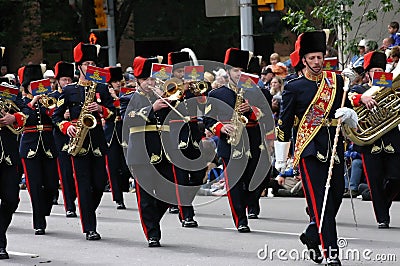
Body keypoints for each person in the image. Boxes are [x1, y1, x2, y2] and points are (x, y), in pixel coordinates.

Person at [275, 31, 354, 265]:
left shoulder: (337, 81)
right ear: (304, 60)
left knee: (335, 196)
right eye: (312, 58)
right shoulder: (294, 87)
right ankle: (332, 254)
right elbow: (284, 121)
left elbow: (347, 107)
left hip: (334, 145)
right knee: (321, 201)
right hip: (309, 148)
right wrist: (282, 157)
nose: (317, 62)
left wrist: (350, 114)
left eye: (320, 57)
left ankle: (312, 235)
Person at [203, 48, 271, 232]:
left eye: (242, 70)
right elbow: (208, 120)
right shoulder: (216, 94)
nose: (239, 73)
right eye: (235, 70)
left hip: (253, 140)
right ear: (228, 71)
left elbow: (268, 116)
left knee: (254, 180)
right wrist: (221, 128)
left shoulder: (259, 92)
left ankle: (252, 202)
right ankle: (240, 219)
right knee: (234, 183)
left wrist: (252, 110)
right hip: (230, 142)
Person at [52, 42, 115, 240]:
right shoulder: (69, 90)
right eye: (86, 63)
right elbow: (56, 116)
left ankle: (87, 209)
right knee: (84, 184)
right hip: (78, 142)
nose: (90, 66)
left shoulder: (102, 88)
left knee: (99, 183)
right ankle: (90, 227)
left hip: (96, 140)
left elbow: (114, 112)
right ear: (79, 66)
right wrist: (66, 126)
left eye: (92, 62)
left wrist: (102, 110)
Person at [123, 55, 175, 247]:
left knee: (168, 194)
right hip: (140, 154)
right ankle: (152, 233)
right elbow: (129, 119)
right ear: (138, 81)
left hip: (163, 152)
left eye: (152, 79)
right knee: (145, 198)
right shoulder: (128, 98)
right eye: (146, 80)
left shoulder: (164, 96)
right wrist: (151, 108)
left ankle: (153, 220)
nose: (149, 83)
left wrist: (167, 98)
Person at [348, 51, 400, 229]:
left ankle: (382, 203)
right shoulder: (359, 90)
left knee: (397, 177)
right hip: (370, 143)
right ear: (367, 73)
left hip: (392, 139)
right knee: (375, 181)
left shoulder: (391, 87)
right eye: (374, 70)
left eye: (380, 69)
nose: (377, 72)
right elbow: (348, 98)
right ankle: (382, 217)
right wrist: (362, 98)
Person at [166, 50, 209, 227]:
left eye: (184, 71)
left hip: (193, 131)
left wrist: (198, 93)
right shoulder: (167, 87)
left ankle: (182, 200)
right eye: (178, 72)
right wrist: (181, 89)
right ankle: (186, 215)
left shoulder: (192, 87)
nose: (182, 75)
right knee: (181, 177)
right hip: (176, 133)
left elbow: (204, 106)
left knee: (199, 174)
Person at [18, 64, 60, 235]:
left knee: (51, 185)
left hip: (48, 144)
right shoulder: (21, 102)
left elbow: (55, 118)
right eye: (31, 84)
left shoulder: (49, 99)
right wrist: (32, 102)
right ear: (26, 86)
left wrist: (51, 108)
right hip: (29, 146)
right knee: (34, 186)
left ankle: (45, 210)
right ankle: (39, 223)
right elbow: (21, 120)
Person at [0, 56, 26, 260]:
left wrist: (13, 118)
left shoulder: (8, 90)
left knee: (11, 199)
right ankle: (0, 243)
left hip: (8, 154)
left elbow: (26, 111)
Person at [50, 61, 77, 217]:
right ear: (58, 81)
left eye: (69, 80)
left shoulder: (75, 93)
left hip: (77, 134)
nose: (67, 82)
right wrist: (62, 117)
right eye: (64, 80)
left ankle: (75, 197)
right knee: (66, 172)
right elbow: (52, 117)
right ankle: (69, 205)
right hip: (60, 136)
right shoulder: (52, 97)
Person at [104, 66, 131, 209]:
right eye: (115, 82)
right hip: (110, 133)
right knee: (113, 167)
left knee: (126, 167)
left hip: (123, 131)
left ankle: (124, 187)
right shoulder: (104, 95)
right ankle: (118, 197)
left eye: (119, 81)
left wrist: (117, 97)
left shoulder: (125, 94)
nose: (118, 84)